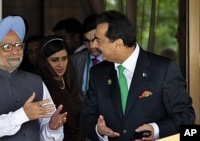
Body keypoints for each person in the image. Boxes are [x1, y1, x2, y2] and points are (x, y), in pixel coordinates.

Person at [79, 10, 195, 141]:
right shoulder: (97, 73)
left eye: (98, 41)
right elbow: (86, 117)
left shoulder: (164, 69)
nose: (93, 46)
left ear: (118, 43)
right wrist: (98, 130)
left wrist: (155, 129)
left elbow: (186, 116)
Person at [0, 15, 67, 141]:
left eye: (18, 45)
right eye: (8, 47)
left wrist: (52, 127)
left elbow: (45, 133)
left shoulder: (36, 81)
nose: (15, 51)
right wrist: (23, 115)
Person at [36, 35, 86, 141]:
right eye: (54, 60)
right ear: (43, 62)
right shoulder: (40, 88)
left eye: (64, 58)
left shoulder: (70, 82)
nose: (61, 64)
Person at [70, 14, 103, 101]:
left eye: (95, 40)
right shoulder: (75, 60)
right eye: (87, 41)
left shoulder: (116, 60)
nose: (91, 46)